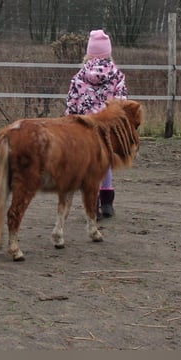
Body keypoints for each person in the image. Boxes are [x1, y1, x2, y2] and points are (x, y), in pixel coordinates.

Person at [65, 29, 128, 219]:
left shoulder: (80, 76)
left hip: (85, 127)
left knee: (88, 165)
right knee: (105, 162)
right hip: (106, 127)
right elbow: (122, 101)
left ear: (89, 52)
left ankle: (92, 204)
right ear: (108, 52)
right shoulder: (117, 75)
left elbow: (72, 102)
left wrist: (69, 120)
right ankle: (107, 202)